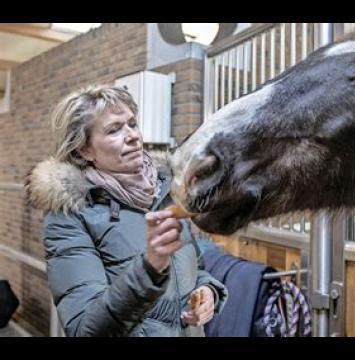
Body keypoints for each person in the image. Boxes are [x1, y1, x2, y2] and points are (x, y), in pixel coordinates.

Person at [26, 84, 227, 336]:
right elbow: (84, 329)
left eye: (132, 123)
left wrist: (207, 291)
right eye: (114, 130)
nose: (132, 135)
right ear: (85, 150)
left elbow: (195, 268)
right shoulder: (71, 215)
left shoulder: (166, 191)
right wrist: (149, 268)